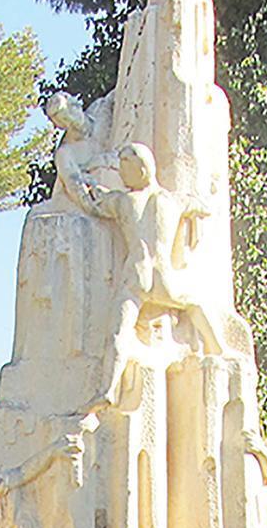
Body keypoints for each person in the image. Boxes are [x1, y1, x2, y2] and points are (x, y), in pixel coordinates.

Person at [71, 142, 224, 414]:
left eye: (124, 170)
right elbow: (204, 206)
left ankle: (108, 390)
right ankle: (217, 349)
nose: (122, 176)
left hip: (136, 276)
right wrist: (204, 202)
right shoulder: (173, 200)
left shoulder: (123, 201)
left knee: (118, 332)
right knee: (194, 303)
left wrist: (84, 182)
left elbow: (94, 204)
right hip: (164, 277)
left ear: (141, 169)